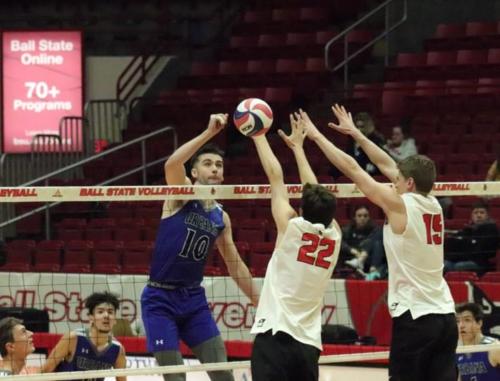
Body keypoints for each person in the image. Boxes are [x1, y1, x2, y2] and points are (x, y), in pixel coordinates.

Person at [303, 105, 457, 381]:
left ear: (409, 183)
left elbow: (352, 168)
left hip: (417, 319)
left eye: (398, 180)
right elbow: (388, 164)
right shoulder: (433, 203)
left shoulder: (401, 206)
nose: (393, 181)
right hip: (445, 315)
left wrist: (316, 137)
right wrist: (357, 135)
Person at [140, 113, 258, 381]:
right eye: (207, 164)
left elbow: (234, 263)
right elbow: (172, 163)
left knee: (222, 375)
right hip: (159, 301)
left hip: (193, 301)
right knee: (175, 378)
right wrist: (208, 133)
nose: (215, 168)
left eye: (218, 164)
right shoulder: (180, 197)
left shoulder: (221, 217)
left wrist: (259, 301)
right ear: (194, 172)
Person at [250, 113, 341, 381]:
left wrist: (258, 135)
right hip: (308, 344)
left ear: (301, 209)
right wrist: (299, 149)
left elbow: (275, 176)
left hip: (275, 336)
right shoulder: (335, 236)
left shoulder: (291, 226)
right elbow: (313, 190)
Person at [42, 292, 126, 380]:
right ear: (91, 318)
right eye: (100, 312)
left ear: (115, 320)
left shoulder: (118, 349)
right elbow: (44, 371)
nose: (106, 315)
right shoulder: (73, 338)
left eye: (110, 312)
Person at [445, 201, 499, 272]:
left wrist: (467, 243)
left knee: (459, 266)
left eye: (482, 213)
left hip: (482, 262)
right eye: (476, 213)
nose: (479, 215)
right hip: (463, 259)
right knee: (445, 264)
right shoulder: (468, 229)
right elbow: (453, 243)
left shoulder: (491, 229)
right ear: (472, 216)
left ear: (487, 215)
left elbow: (481, 250)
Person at [456, 302, 500, 381]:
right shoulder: (458, 352)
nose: (461, 325)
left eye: (467, 320)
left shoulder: (493, 348)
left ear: (479, 323)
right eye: (458, 321)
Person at [340, 205, 386, 279]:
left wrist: (363, 255)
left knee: (377, 240)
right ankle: (361, 262)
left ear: (369, 218)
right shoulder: (348, 230)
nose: (362, 218)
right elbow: (340, 243)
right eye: (359, 216)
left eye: (365, 216)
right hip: (352, 259)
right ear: (354, 218)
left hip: (370, 261)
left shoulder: (375, 229)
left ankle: (366, 264)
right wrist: (353, 251)